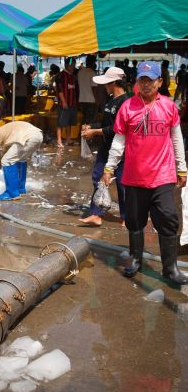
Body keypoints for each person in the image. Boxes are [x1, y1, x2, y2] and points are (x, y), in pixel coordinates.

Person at [102, 61, 188, 286]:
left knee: (168, 219)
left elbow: (177, 139)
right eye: (142, 80)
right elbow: (119, 141)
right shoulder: (127, 107)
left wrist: (182, 167)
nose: (146, 84)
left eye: (151, 80)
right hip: (134, 176)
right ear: (136, 83)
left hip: (163, 175)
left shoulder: (169, 106)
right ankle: (136, 259)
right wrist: (109, 167)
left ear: (160, 82)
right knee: (134, 220)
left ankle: (170, 269)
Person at [79, 67, 128, 226]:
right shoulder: (110, 101)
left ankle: (126, 216)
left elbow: (117, 129)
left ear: (114, 82)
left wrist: (94, 131)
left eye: (107, 83)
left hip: (122, 150)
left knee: (122, 183)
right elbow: (106, 124)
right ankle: (96, 214)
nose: (105, 86)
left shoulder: (126, 103)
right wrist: (91, 126)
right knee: (98, 178)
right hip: (106, 148)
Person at [0, 119, 43, 201]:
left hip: (29, 138)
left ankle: (12, 193)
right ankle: (20, 189)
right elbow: (3, 157)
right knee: (20, 159)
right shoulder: (4, 131)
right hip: (38, 135)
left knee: (7, 161)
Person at [55, 57, 78, 148]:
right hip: (63, 103)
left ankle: (68, 139)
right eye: (72, 65)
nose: (73, 67)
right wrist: (64, 101)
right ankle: (59, 141)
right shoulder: (61, 75)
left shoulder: (73, 76)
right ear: (67, 65)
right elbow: (59, 89)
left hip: (72, 103)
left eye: (74, 65)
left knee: (69, 122)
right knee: (60, 123)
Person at [77, 54, 98, 124]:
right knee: (90, 121)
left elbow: (78, 87)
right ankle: (87, 134)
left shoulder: (80, 72)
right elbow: (94, 88)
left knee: (84, 119)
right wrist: (96, 100)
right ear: (93, 63)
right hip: (91, 100)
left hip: (81, 100)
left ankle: (82, 134)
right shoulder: (92, 73)